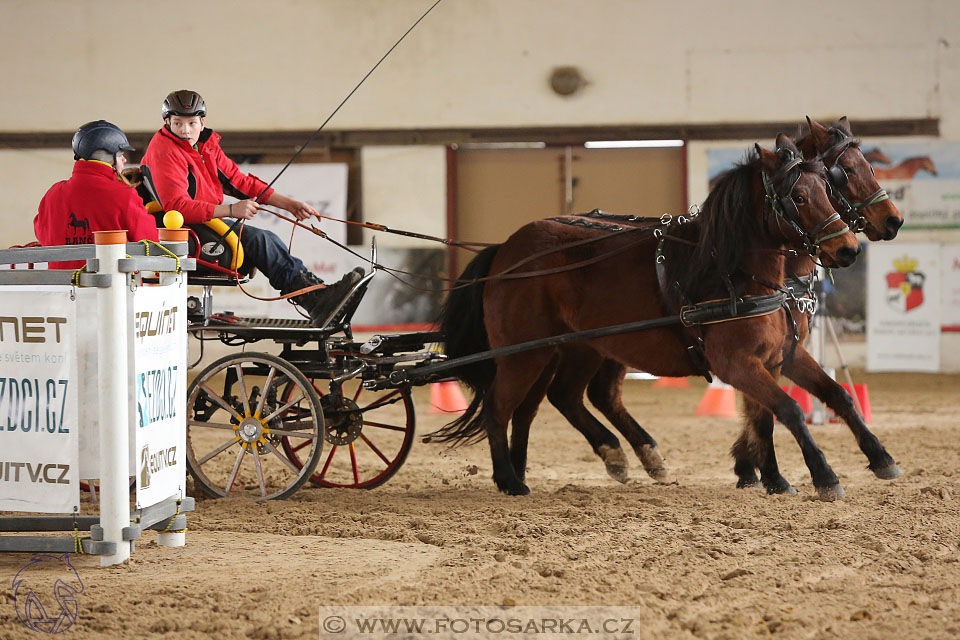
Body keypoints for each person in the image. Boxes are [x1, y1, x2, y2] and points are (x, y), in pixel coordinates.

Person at [140, 89, 362, 326]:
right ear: (167, 122)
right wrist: (231, 210)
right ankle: (317, 301)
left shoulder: (205, 144)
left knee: (266, 239)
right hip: (182, 228)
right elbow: (177, 206)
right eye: (178, 123)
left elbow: (239, 181)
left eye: (192, 123)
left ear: (202, 121)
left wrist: (289, 204)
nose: (185, 131)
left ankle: (317, 296)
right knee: (261, 240)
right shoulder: (164, 150)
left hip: (203, 221)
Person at [35, 120, 159, 269]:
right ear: (108, 157)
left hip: (61, 288)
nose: (124, 160)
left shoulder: (52, 194)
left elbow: (42, 234)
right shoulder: (124, 195)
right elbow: (150, 241)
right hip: (113, 288)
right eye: (120, 155)